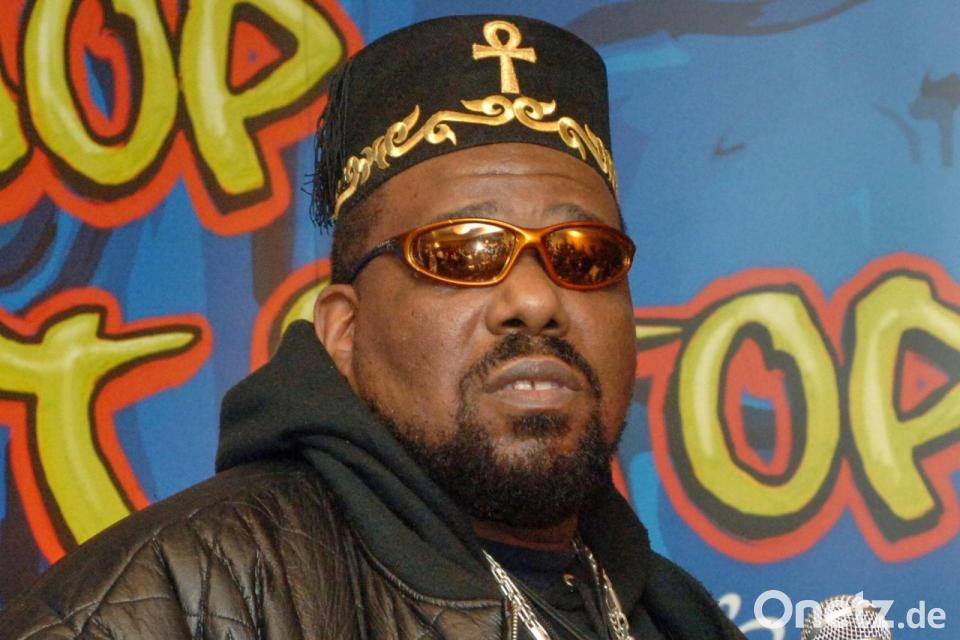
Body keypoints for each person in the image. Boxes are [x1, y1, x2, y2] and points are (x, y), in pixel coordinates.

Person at [0, 15, 745, 640]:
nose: (534, 299)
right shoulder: (166, 603)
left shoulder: (673, 614)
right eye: (462, 252)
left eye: (583, 256)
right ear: (344, 332)